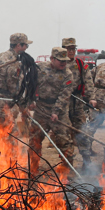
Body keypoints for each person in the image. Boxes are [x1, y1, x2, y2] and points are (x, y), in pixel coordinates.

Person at [28, 47, 75, 178]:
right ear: (52, 59)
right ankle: (33, 170)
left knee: (64, 142)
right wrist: (30, 100)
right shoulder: (40, 68)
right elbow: (31, 84)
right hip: (41, 109)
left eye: (65, 60)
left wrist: (56, 111)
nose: (64, 63)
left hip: (59, 112)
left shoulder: (68, 74)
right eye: (61, 60)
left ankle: (67, 171)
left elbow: (65, 95)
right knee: (34, 140)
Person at [0, 33, 31, 132]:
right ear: (18, 45)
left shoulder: (2, 55)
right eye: (26, 45)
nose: (26, 48)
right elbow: (15, 90)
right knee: (12, 133)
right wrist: (24, 108)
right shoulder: (14, 64)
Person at [62, 38, 96, 164]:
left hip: (77, 102)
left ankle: (87, 161)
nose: (71, 51)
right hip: (63, 103)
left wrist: (91, 97)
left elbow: (88, 81)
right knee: (64, 134)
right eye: (68, 49)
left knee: (82, 132)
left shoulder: (80, 64)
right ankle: (67, 164)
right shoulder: (59, 64)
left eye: (73, 49)